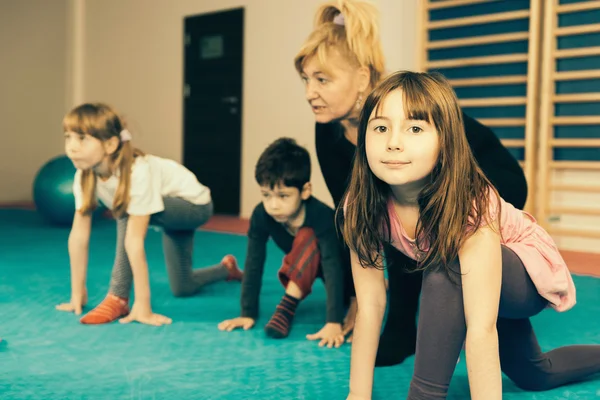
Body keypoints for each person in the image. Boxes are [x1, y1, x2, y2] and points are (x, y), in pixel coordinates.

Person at [294, 0, 528, 365]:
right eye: (306, 79)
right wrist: (358, 301)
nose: (310, 92)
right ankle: (405, 327)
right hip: (428, 199)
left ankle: (414, 325)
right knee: (395, 216)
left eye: (321, 79)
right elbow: (359, 219)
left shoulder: (403, 108)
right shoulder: (327, 131)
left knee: (417, 218)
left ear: (361, 78)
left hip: (493, 179)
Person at [342, 70, 600, 400]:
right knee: (535, 373)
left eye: (415, 128)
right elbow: (371, 305)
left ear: (445, 142)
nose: (393, 141)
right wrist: (356, 395)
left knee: (445, 263)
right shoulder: (361, 204)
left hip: (525, 269)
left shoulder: (468, 204)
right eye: (380, 128)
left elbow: (480, 330)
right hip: (473, 275)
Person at [56, 102, 242, 326]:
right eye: (68, 137)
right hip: (167, 216)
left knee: (125, 210)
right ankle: (226, 269)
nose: (71, 147)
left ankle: (118, 297)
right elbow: (78, 238)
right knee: (183, 287)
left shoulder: (137, 173)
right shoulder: (84, 176)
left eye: (82, 138)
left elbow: (134, 241)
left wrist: (143, 307)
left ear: (111, 144)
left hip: (194, 207)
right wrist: (78, 293)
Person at [218, 138, 346, 348]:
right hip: (306, 271)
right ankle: (287, 304)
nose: (273, 205)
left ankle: (286, 307)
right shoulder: (261, 214)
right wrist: (247, 313)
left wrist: (334, 321)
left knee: (307, 235)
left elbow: (333, 266)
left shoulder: (322, 216)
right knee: (303, 238)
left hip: (344, 275)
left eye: (283, 196)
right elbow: (253, 262)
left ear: (305, 191)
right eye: (266, 195)